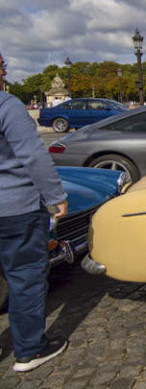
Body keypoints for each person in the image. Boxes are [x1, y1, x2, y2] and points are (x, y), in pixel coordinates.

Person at [0, 51, 69, 372]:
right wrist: (56, 196)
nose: (5, 72)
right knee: (25, 277)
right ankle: (29, 349)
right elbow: (32, 155)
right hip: (14, 206)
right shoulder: (6, 105)